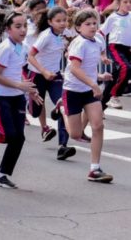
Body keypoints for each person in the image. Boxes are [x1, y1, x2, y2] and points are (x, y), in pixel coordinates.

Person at [0, 12, 43, 189]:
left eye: (24, 26)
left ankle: (1, 175)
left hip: (16, 95)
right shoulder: (6, 48)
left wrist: (30, 90)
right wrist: (20, 86)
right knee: (7, 136)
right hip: (0, 95)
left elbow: (18, 70)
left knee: (18, 138)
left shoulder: (23, 46)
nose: (22, 30)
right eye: (18, 26)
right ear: (8, 29)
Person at [55, 9, 113, 183]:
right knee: (75, 134)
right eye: (87, 24)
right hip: (72, 90)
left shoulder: (98, 40)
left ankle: (95, 169)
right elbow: (75, 68)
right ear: (78, 28)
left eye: (94, 23)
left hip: (88, 91)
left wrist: (99, 76)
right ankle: (62, 108)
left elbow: (89, 66)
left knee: (98, 126)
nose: (92, 27)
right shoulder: (79, 43)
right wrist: (94, 83)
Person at [26, 7, 74, 159]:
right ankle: (29, 104)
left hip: (55, 76)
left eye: (64, 20)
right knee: (35, 111)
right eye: (58, 21)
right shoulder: (45, 36)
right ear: (50, 22)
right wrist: (44, 71)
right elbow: (30, 56)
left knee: (63, 105)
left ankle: (62, 146)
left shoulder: (65, 34)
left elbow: (69, 46)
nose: (62, 24)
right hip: (37, 75)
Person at [100, 0, 131, 110]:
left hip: (127, 49)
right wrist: (102, 54)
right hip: (115, 47)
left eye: (130, 2)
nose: (128, 4)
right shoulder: (113, 17)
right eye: (125, 2)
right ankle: (114, 96)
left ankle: (101, 105)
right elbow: (101, 33)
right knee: (125, 67)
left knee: (115, 78)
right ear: (118, 3)